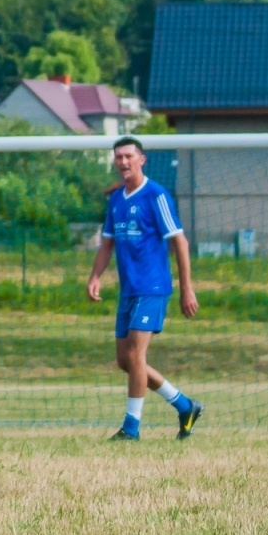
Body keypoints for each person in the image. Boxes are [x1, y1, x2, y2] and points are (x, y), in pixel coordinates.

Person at [86, 136, 204, 441]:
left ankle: (131, 428)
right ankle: (185, 405)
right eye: (119, 157)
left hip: (153, 287)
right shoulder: (116, 200)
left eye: (129, 156)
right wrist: (95, 276)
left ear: (142, 159)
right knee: (126, 361)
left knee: (136, 354)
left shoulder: (156, 195)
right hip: (129, 290)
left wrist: (186, 289)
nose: (123, 162)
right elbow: (107, 244)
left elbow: (180, 242)